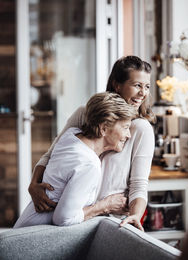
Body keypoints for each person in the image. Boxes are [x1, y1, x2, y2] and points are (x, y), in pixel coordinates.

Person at [29, 55, 156, 231]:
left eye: (147, 86)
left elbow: (139, 185)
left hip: (110, 219)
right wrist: (33, 185)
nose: (143, 93)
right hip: (72, 215)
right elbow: (51, 155)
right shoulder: (84, 114)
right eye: (137, 85)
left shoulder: (141, 129)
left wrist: (135, 215)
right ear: (116, 85)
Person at [14, 92, 135, 228]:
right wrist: (105, 206)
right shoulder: (89, 164)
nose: (129, 135)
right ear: (103, 128)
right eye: (125, 128)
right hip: (32, 240)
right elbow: (63, 219)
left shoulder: (71, 135)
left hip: (23, 227)